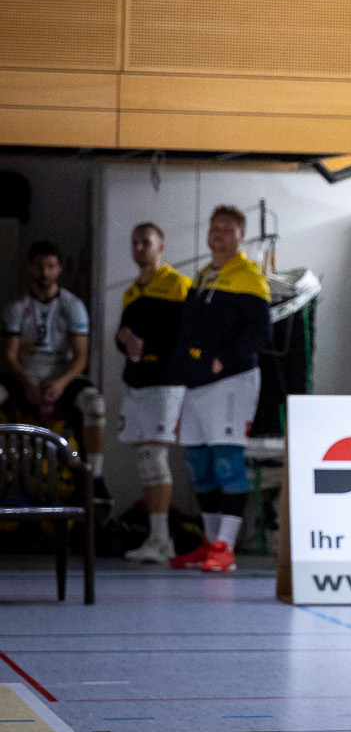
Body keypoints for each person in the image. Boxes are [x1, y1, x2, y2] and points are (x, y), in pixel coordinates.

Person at [168, 206, 271, 574]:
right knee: (199, 463)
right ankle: (210, 543)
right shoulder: (204, 276)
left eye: (227, 229)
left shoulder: (249, 276)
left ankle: (225, 548)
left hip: (231, 383)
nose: (219, 235)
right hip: (195, 386)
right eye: (214, 229)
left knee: (228, 462)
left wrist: (222, 361)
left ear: (241, 236)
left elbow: (260, 332)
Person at [115, 223, 190, 565]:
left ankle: (164, 540)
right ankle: (154, 536)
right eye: (135, 243)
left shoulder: (177, 285)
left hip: (165, 381)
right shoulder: (131, 291)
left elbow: (185, 336)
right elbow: (126, 338)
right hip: (137, 382)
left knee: (156, 457)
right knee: (144, 458)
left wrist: (150, 347)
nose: (139, 248)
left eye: (146, 242)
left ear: (161, 246)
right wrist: (126, 343)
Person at [2, 240, 104, 472]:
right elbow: (9, 355)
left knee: (95, 405)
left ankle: (94, 477)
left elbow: (81, 356)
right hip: (24, 376)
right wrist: (27, 383)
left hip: (62, 376)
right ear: (30, 268)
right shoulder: (16, 308)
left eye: (51, 266)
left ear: (59, 269)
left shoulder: (73, 305)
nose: (45, 272)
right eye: (40, 266)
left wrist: (62, 383)